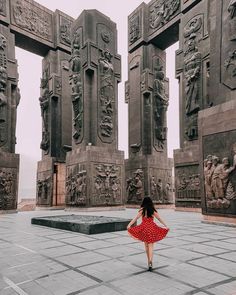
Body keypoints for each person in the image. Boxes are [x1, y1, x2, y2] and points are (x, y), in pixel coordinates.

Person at [127, 196, 169, 271]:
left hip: (144, 229)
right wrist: (165, 225)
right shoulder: (152, 210)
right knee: (151, 246)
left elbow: (136, 218)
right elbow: (159, 218)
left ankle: (148, 260)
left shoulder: (142, 210)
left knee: (146, 245)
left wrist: (129, 225)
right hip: (152, 228)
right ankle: (150, 261)